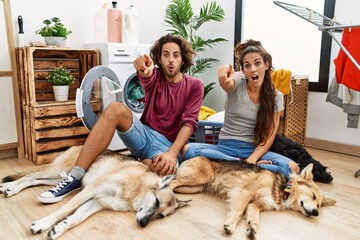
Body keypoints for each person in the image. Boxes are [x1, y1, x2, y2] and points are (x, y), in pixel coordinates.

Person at [38, 34, 204, 203]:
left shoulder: (195, 85)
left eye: (176, 55)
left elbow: (189, 122)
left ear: (183, 59)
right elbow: (147, 76)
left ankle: (139, 163)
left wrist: (171, 153)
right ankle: (74, 177)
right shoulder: (156, 77)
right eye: (165, 54)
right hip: (143, 135)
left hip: (166, 146)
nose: (171, 60)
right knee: (116, 108)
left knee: (167, 174)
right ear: (159, 59)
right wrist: (143, 69)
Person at [181, 39, 299, 178]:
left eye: (257, 63)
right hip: (225, 147)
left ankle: (232, 166)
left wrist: (253, 158)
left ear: (266, 65)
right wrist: (223, 78)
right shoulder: (237, 83)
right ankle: (244, 165)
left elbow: (269, 137)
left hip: (253, 149)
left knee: (293, 168)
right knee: (187, 150)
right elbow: (227, 84)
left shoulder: (276, 96)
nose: (253, 69)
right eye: (247, 65)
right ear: (243, 70)